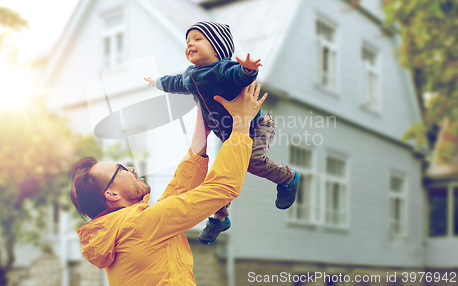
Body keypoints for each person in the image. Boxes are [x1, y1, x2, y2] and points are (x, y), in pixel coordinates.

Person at [70, 81, 267, 286]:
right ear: (112, 194)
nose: (131, 169)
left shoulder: (124, 229)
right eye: (121, 169)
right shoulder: (139, 225)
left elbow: (179, 190)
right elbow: (223, 187)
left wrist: (202, 119)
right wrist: (242, 121)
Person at [144, 21, 300, 245]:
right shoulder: (190, 75)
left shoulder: (223, 69)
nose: (190, 44)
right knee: (222, 172)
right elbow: (175, 82)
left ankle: (288, 178)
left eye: (198, 39)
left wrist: (248, 69)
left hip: (257, 126)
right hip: (231, 135)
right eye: (188, 41)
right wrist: (158, 82)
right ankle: (220, 218)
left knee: (252, 162)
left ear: (217, 47)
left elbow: (239, 75)